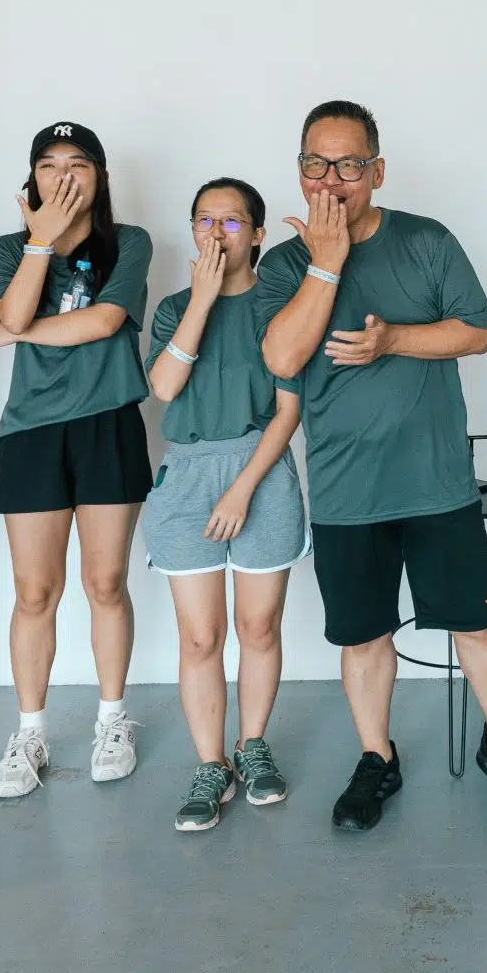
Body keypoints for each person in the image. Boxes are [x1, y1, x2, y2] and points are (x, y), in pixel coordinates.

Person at [257, 101, 487, 829]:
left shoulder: (427, 241)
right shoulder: (284, 264)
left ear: (377, 171)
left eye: (349, 165)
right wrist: (326, 264)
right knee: (364, 636)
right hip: (346, 491)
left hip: (435, 482)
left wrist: (392, 340)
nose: (331, 181)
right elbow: (283, 357)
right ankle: (376, 757)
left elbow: (477, 332)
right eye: (317, 164)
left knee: (476, 625)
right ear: (299, 170)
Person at [0, 122, 153, 800]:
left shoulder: (128, 242)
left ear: (100, 176)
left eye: (78, 163)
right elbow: (16, 310)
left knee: (105, 582)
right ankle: (30, 732)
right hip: (30, 432)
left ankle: (112, 720)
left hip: (109, 422)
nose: (64, 175)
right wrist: (40, 241)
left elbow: (104, 321)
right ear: (32, 178)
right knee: (33, 591)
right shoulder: (7, 248)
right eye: (48, 164)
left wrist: (10, 334)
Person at [143, 178, 307, 833]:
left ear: (257, 235)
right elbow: (163, 385)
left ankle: (253, 744)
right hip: (185, 477)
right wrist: (203, 299)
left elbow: (288, 410)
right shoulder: (174, 308)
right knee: (200, 636)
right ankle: (211, 763)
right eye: (205, 220)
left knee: (258, 627)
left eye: (232, 221)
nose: (217, 232)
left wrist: (242, 487)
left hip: (260, 472)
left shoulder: (278, 306)